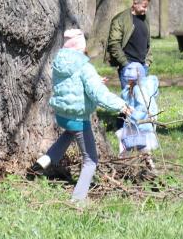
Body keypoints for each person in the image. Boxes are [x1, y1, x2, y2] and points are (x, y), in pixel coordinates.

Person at [27, 29, 132, 203]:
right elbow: (98, 94)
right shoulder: (84, 67)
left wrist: (95, 79)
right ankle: (78, 199)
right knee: (91, 160)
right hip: (78, 118)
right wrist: (120, 105)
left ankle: (43, 162)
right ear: (80, 46)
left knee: (68, 134)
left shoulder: (59, 63)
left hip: (62, 115)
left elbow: (72, 83)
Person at [105, 0, 153, 90]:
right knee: (129, 97)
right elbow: (114, 43)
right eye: (144, 6)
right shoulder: (120, 19)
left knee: (142, 97)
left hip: (143, 66)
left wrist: (147, 62)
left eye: (147, 7)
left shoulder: (145, 18)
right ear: (135, 3)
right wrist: (125, 63)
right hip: (128, 66)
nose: (146, 9)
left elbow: (148, 41)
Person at [117, 62, 159, 172]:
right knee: (141, 147)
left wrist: (133, 118)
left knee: (125, 143)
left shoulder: (138, 89)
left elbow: (143, 106)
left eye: (130, 79)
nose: (128, 81)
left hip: (139, 122)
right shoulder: (133, 88)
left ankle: (121, 163)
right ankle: (150, 167)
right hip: (139, 123)